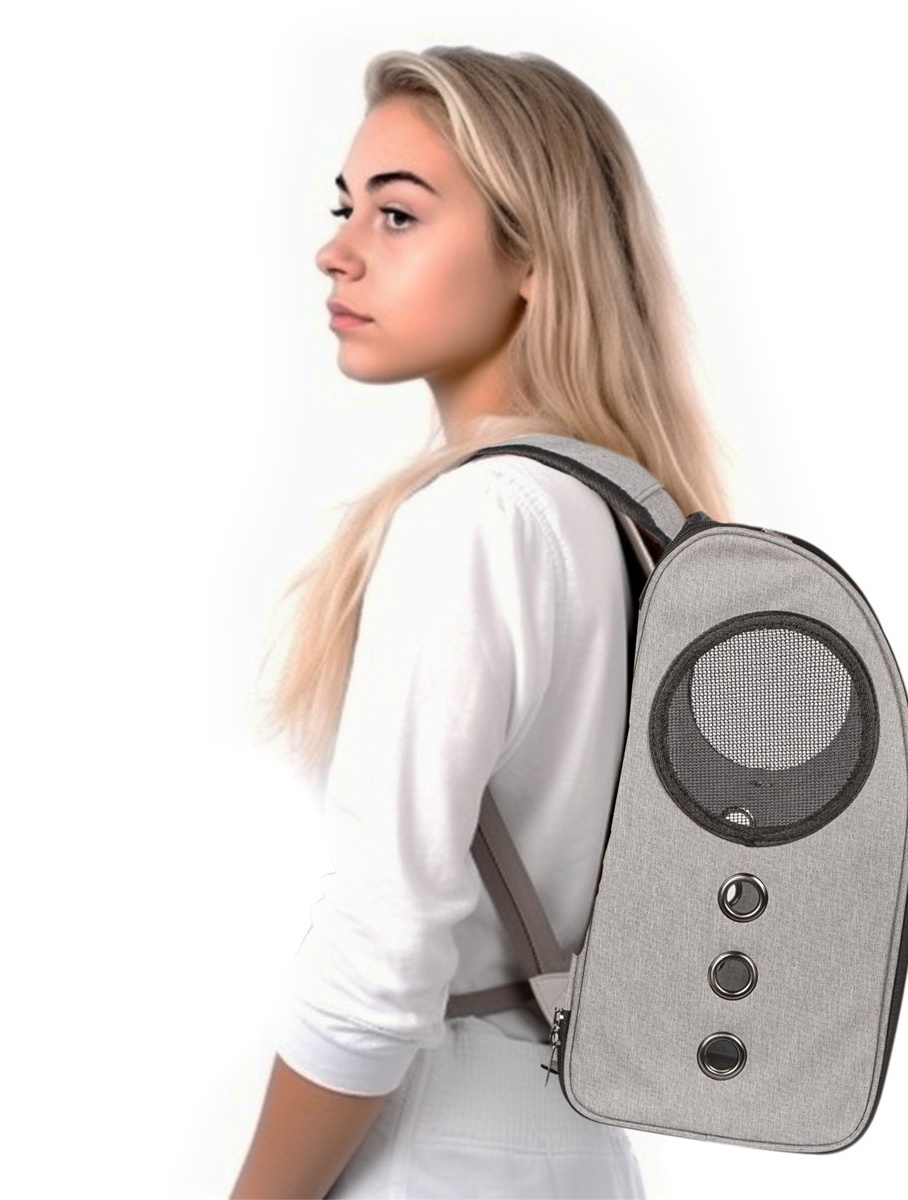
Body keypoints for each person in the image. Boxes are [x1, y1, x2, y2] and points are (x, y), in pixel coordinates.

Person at [230, 44, 733, 1199]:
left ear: (533, 260)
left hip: (434, 1152)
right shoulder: (628, 522)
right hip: (579, 1153)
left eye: (399, 215)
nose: (338, 249)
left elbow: (378, 958)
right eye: (347, 208)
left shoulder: (478, 521)